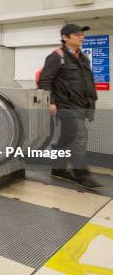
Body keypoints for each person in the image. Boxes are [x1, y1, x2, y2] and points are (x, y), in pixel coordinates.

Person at [38, 24, 100, 189]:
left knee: (66, 139)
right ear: (65, 37)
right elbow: (45, 81)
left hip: (82, 106)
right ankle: (82, 176)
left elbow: (87, 83)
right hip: (66, 106)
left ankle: (58, 168)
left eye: (82, 35)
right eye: (77, 34)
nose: (81, 37)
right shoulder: (56, 56)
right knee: (80, 137)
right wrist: (50, 101)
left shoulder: (83, 58)